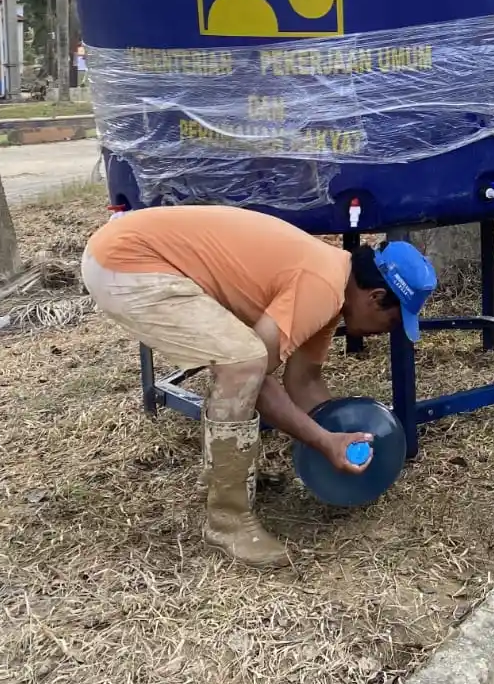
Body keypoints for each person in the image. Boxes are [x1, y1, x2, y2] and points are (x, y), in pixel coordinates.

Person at [82, 205, 429, 566]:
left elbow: (304, 380)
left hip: (133, 254)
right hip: (128, 261)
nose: (388, 331)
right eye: (392, 320)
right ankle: (228, 520)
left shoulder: (333, 284)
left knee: (244, 362)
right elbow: (255, 382)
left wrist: (348, 438)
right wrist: (324, 441)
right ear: (374, 297)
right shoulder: (323, 284)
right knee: (243, 364)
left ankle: (224, 477)